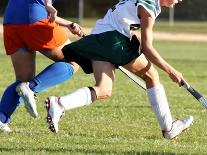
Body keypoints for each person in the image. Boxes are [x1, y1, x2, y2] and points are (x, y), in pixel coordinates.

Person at [43, 0, 194, 140]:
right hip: (113, 41)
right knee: (152, 76)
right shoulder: (149, 7)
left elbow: (126, 21)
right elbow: (148, 49)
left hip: (98, 39)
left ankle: (60, 103)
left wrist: (133, 37)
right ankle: (168, 128)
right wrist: (171, 71)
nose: (179, 0)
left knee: (103, 90)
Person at [0, 0, 84, 132]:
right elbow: (41, 6)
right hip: (35, 18)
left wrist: (67, 23)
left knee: (22, 80)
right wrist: (49, 5)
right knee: (74, 61)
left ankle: (1, 119)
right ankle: (30, 88)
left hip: (11, 21)